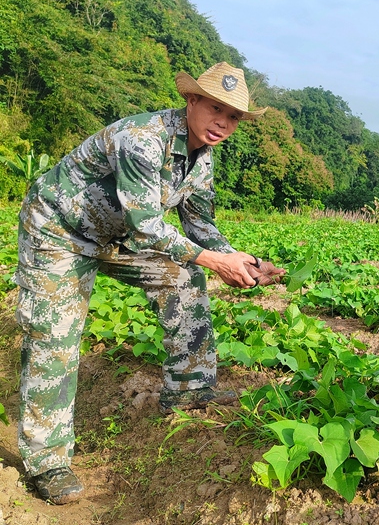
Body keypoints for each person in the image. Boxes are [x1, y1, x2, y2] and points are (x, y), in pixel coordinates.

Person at [15, 62, 285, 505]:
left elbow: (199, 223)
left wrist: (246, 261)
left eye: (234, 116)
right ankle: (48, 462)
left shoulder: (203, 156)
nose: (223, 122)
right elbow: (147, 226)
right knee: (55, 334)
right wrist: (217, 262)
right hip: (60, 232)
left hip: (115, 235)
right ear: (191, 99)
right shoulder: (144, 139)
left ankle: (190, 389)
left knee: (182, 275)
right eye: (215, 107)